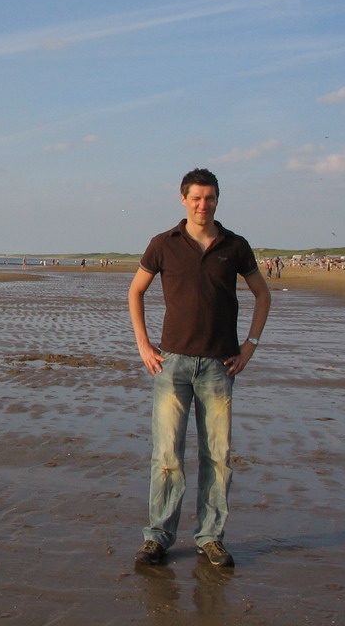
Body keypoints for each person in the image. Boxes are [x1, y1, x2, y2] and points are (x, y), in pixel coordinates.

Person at [129, 168, 271, 568]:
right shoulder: (163, 244)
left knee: (218, 457)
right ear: (183, 199)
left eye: (209, 198)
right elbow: (135, 290)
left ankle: (211, 537)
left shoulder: (235, 246)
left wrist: (250, 345)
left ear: (217, 200)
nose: (202, 205)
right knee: (167, 455)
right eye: (196, 198)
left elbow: (262, 294)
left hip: (219, 366)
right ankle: (158, 536)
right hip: (171, 365)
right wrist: (143, 344)